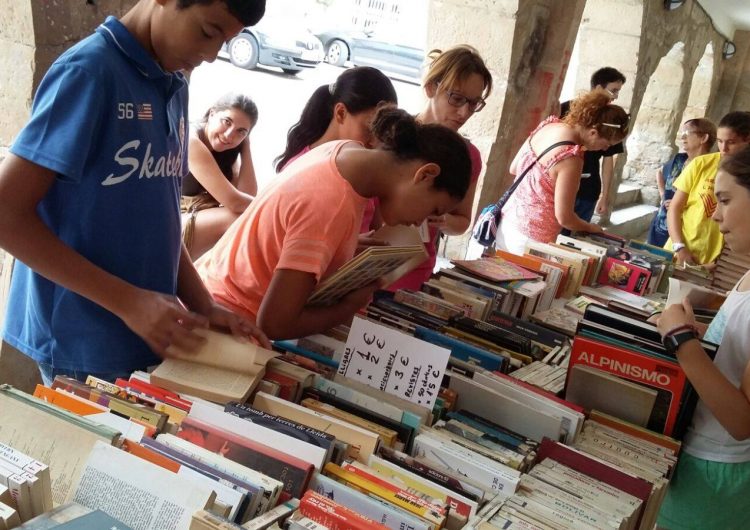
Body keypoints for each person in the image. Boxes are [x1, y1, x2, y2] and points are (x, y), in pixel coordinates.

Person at [0, 0, 270, 386]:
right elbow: (6, 213)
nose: (211, 55)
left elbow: (158, 218)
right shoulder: (89, 73)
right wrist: (129, 303)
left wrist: (204, 305)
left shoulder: (173, 83)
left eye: (224, 42)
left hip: (147, 333)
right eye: (208, 32)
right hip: (83, 339)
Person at [197, 107, 472, 340]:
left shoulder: (345, 153)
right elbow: (274, 323)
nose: (420, 222)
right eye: (432, 209)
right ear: (425, 175)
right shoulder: (330, 202)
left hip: (211, 294)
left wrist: (340, 245)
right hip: (225, 322)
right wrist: (348, 306)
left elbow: (292, 233)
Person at [655, 146, 750, 530]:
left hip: (718, 472)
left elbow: (743, 420)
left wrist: (681, 342)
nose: (714, 214)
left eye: (725, 200)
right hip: (702, 456)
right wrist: (704, 312)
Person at [388, 45, 492, 291]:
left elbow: (462, 221)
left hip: (415, 267)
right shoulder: (394, 133)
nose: (465, 112)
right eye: (457, 98)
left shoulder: (469, 156)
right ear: (431, 87)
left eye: (474, 103)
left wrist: (443, 219)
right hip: (370, 258)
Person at [497, 89, 629, 254]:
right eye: (607, 144)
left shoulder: (548, 125)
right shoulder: (571, 158)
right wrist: (590, 227)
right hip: (532, 239)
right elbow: (565, 217)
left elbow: (514, 168)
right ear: (593, 132)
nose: (605, 148)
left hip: (507, 223)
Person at [274, 67, 398, 237]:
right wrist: (348, 245)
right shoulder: (303, 168)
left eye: (382, 133)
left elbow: (375, 229)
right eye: (369, 129)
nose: (375, 142)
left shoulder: (369, 168)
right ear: (340, 113)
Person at [665, 111, 750, 267]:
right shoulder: (701, 164)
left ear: (747, 140)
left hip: (716, 261)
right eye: (719, 141)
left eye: (731, 142)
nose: (723, 148)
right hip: (680, 250)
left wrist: (717, 264)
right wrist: (679, 246)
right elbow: (674, 208)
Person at [182, 92, 259, 259]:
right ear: (212, 114)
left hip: (197, 213)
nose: (229, 135)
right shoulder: (191, 140)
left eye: (241, 131)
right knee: (239, 219)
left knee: (245, 219)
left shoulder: (228, 149)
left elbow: (247, 195)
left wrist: (246, 149)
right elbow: (237, 203)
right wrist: (273, 208)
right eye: (227, 122)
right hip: (170, 216)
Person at [560, 67, 627, 222]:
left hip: (588, 190)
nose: (616, 96)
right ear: (598, 87)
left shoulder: (613, 117)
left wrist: (605, 195)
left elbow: (609, 158)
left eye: (618, 92)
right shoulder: (567, 109)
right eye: (613, 90)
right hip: (561, 184)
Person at [647, 118, 716, 247]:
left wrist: (680, 204)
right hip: (661, 225)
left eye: (687, 133)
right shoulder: (679, 159)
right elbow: (659, 173)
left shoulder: (710, 166)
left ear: (704, 138)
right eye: (682, 133)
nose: (682, 137)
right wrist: (663, 196)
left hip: (685, 231)